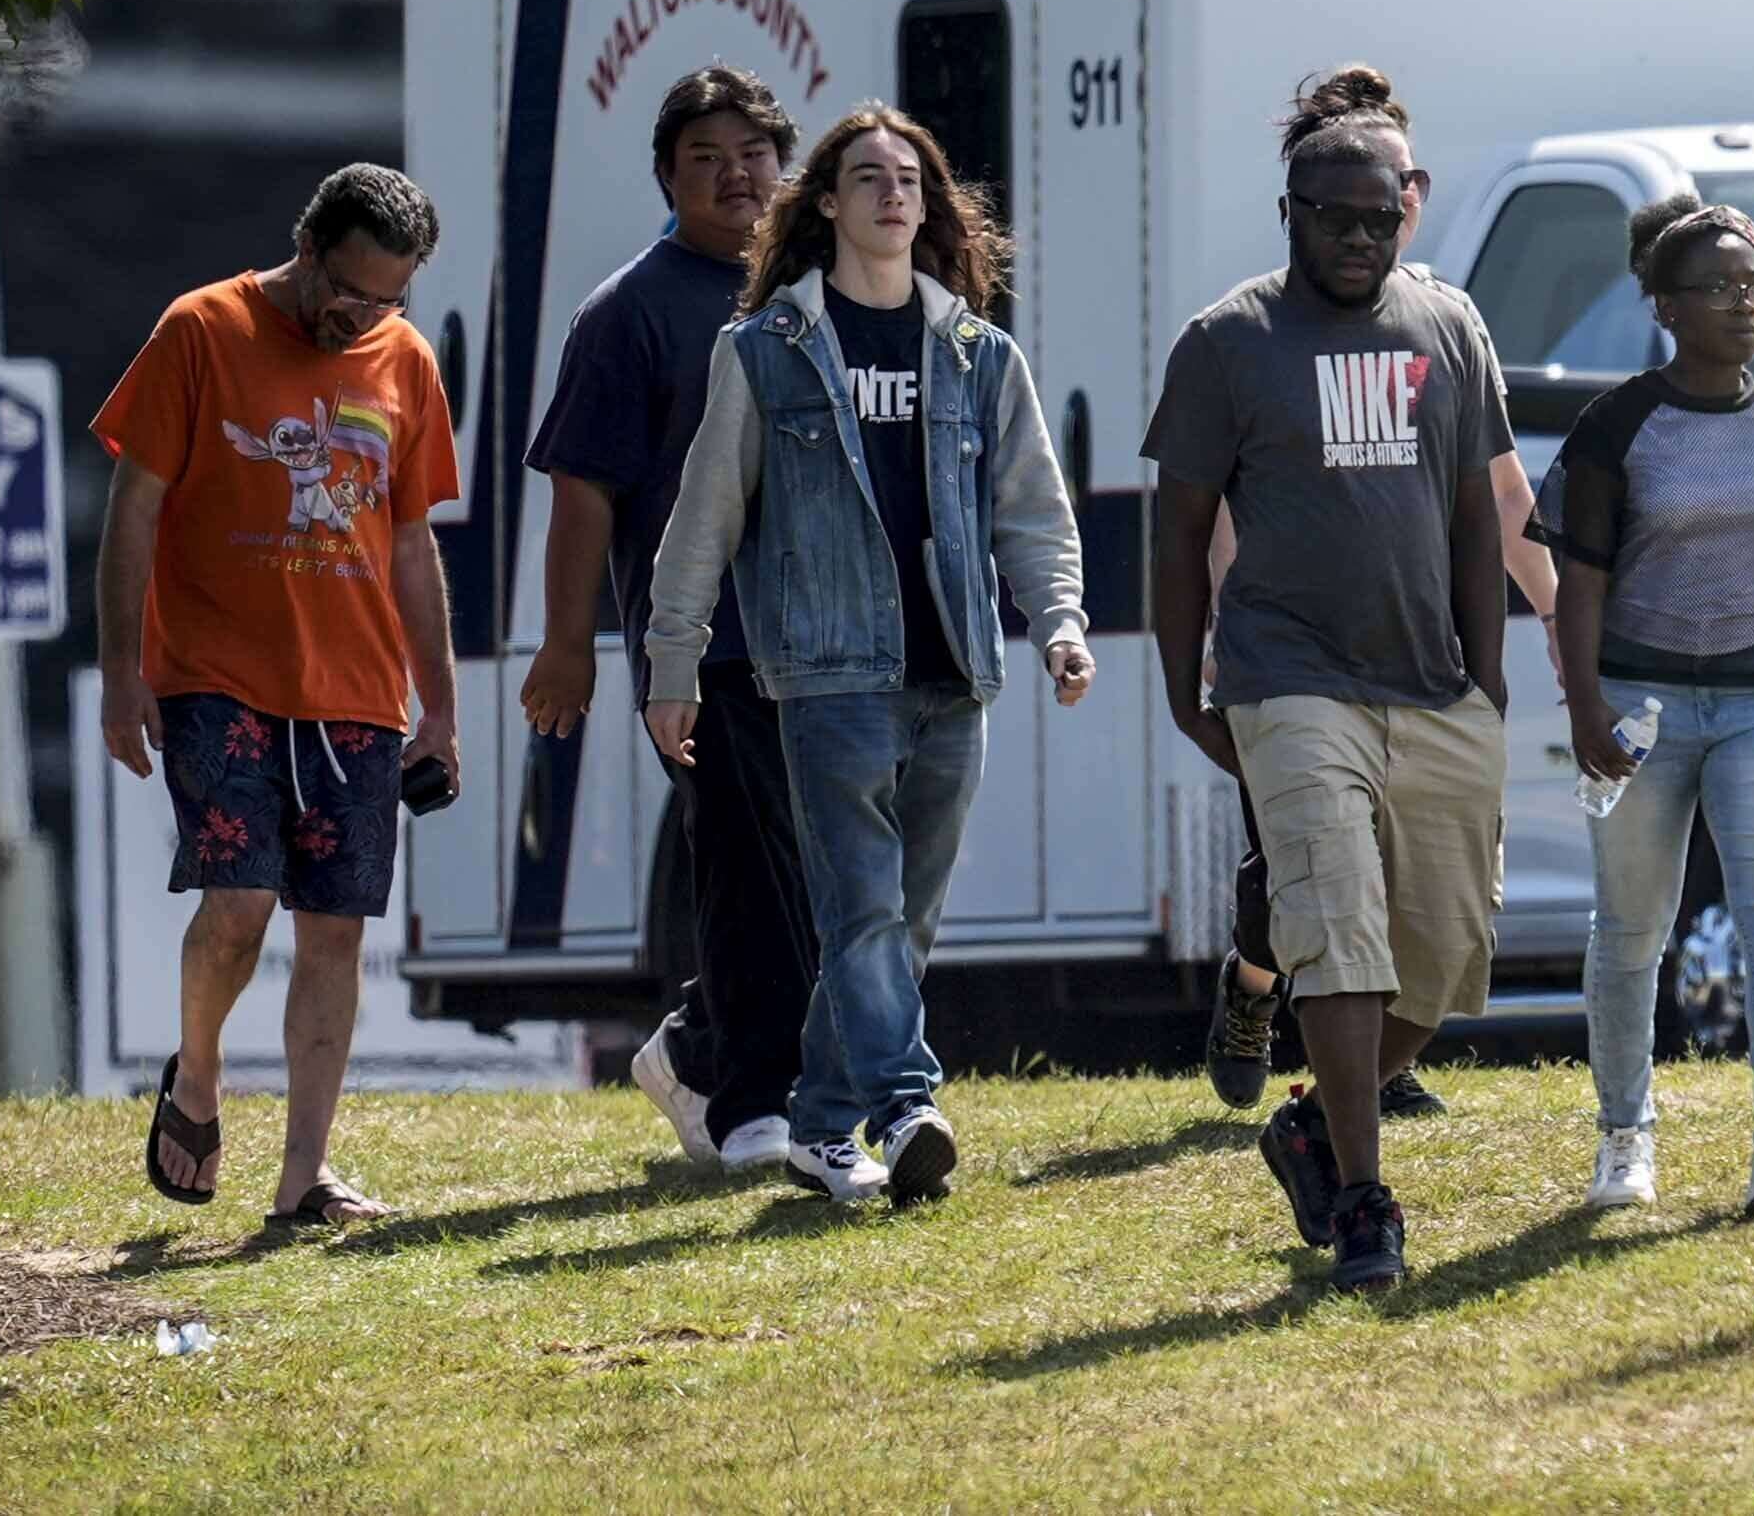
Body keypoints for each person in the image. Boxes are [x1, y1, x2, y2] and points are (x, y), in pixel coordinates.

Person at [643, 106, 1092, 1209]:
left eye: (910, 179)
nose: (894, 194)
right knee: (862, 912)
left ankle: (816, 1126)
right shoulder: (766, 352)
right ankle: (905, 1102)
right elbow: (704, 517)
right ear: (828, 205)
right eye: (868, 177)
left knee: (907, 916)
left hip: (954, 671)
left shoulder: (981, 356)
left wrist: (1062, 621)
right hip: (829, 671)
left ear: (929, 208)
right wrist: (673, 661)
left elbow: (1031, 506)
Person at [1147, 116, 1512, 1293]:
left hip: (1432, 682)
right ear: (1291, 213)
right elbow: (1178, 531)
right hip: (1288, 676)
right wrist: (1182, 684)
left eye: (1381, 217)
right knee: (1338, 929)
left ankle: (1309, 1125)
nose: (1361, 238)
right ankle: (1363, 1197)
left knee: (1451, 957)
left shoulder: (1448, 325)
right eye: (1335, 217)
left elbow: (1473, 516)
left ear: (1407, 209)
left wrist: (1490, 680)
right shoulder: (1228, 341)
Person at [99, 164, 461, 1228]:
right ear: (307, 249)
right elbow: (132, 511)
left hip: (355, 688)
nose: (361, 315)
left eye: (386, 298)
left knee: (336, 928)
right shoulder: (200, 329)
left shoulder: (405, 360)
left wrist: (436, 704)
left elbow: (409, 542)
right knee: (241, 903)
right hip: (216, 673)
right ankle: (199, 1076)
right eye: (347, 290)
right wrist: (123, 672)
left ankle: (305, 1173)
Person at [1199, 67, 1560, 1117]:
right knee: (1297, 879)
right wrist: (1231, 634)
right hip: (1294, 660)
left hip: (1418, 663)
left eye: (1392, 185)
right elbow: (1225, 506)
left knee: (1412, 881)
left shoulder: (1442, 319)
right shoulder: (1263, 332)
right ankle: (1251, 990)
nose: (1375, 209)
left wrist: (1566, 616)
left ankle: (1363, 1076)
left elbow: (1502, 495)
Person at [1537, 194, 1754, 1217]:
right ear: (1666, 307)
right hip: (1642, 705)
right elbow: (1579, 579)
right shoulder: (1617, 425)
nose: (1744, 306)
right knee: (1632, 925)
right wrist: (1587, 705)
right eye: (1719, 289)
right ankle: (1624, 1136)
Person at [522, 67, 805, 1174]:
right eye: (706, 158)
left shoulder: (821, 289)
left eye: (754, 153)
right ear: (667, 178)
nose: (736, 176)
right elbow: (583, 489)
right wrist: (568, 642)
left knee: (824, 876)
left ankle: (692, 1046)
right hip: (704, 643)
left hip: (828, 641)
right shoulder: (629, 309)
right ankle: (745, 1100)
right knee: (746, 870)